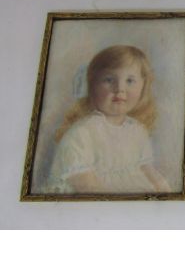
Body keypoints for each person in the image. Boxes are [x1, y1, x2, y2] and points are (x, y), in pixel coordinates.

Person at [48, 45, 170, 194]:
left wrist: (165, 191)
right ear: (92, 86)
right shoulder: (82, 133)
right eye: (109, 80)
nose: (120, 88)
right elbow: (86, 185)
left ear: (143, 88)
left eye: (130, 81)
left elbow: (148, 170)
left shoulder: (138, 131)